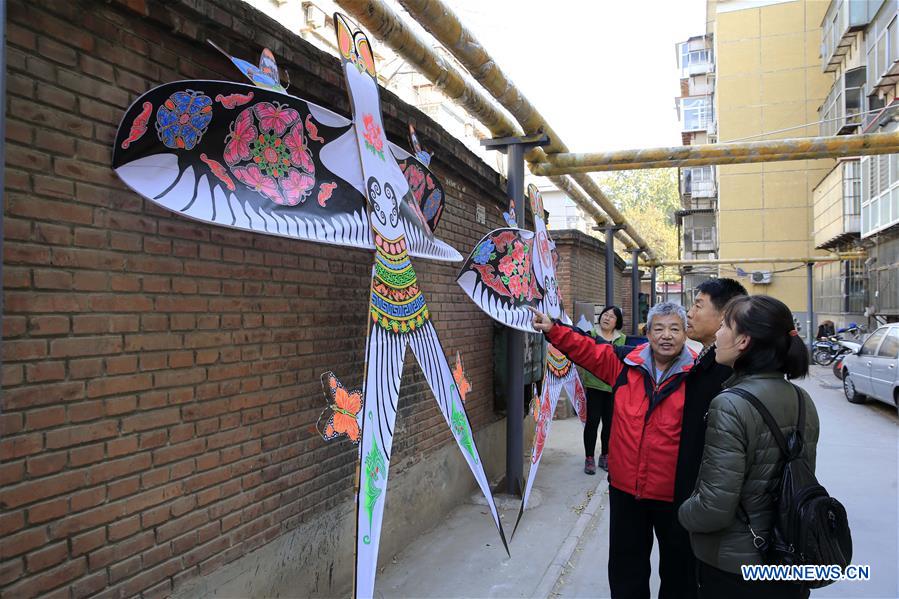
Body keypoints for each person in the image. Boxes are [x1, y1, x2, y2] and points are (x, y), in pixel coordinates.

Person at [531, 302, 696, 599]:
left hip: (675, 493)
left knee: (679, 571)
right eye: (658, 328)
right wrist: (554, 329)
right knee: (626, 568)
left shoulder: (697, 375)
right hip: (626, 488)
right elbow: (586, 349)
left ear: (686, 333)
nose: (666, 336)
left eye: (674, 328)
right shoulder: (624, 363)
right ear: (648, 333)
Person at [678, 295, 818, 599]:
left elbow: (714, 509)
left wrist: (682, 513)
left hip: (738, 569)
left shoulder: (730, 403)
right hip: (789, 556)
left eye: (725, 325)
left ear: (743, 341)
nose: (717, 334)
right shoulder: (801, 399)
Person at [671, 278, 747, 598]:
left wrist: (692, 510)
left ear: (725, 315)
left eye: (698, 305)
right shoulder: (706, 360)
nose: (689, 313)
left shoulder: (728, 375)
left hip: (707, 515)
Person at [581, 305, 625, 475]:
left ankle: (605, 455)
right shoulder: (591, 335)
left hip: (613, 388)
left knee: (610, 424)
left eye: (612, 317)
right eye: (605, 315)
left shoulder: (622, 340)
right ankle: (589, 457)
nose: (607, 318)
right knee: (592, 422)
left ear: (617, 322)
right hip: (594, 385)